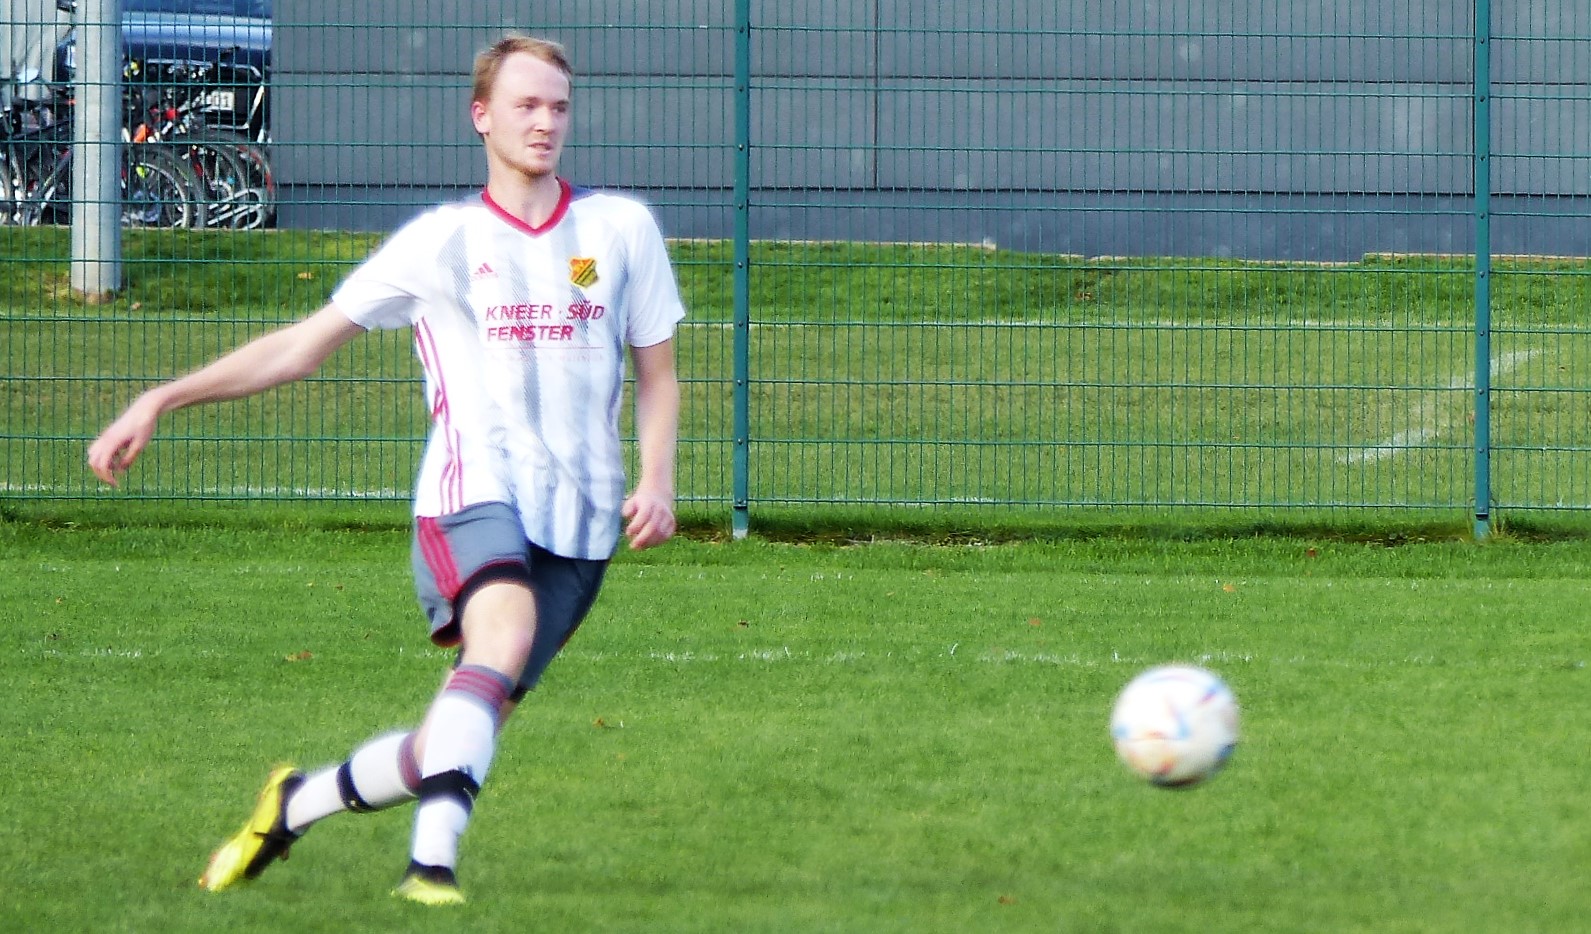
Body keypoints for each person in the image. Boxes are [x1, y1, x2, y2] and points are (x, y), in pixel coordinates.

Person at [86, 33, 685, 907]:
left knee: (452, 734)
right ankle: (430, 868)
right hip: (470, 492)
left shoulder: (619, 230)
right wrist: (162, 398)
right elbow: (300, 347)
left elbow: (658, 374)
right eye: (525, 104)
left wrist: (657, 479)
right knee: (502, 635)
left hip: (582, 520)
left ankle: (294, 805)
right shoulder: (440, 242)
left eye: (558, 106)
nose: (545, 122)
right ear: (480, 116)